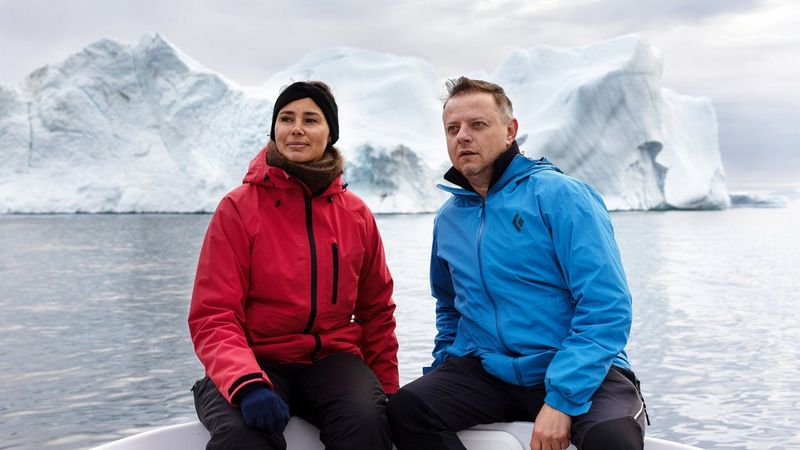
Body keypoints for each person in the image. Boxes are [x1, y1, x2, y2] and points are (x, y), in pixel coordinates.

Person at [388, 77, 647, 450]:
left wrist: (561, 400)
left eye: (477, 125)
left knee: (613, 440)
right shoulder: (449, 219)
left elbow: (606, 307)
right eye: (453, 128)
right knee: (407, 409)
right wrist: (445, 367)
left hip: (577, 367)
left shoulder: (561, 196)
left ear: (510, 131)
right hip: (491, 371)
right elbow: (450, 308)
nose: (462, 136)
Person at [189, 81, 398, 450]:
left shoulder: (357, 216)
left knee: (366, 425)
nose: (297, 128)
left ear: (330, 133)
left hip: (333, 361)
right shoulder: (238, 209)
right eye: (286, 118)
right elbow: (213, 314)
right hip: (256, 359)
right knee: (243, 439)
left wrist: (389, 392)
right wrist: (246, 382)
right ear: (274, 130)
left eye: (311, 119)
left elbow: (377, 312)